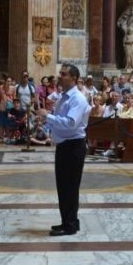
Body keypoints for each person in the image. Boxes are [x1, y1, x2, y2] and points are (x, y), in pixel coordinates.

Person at [36, 63, 90, 236]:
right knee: (63, 186)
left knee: (70, 186)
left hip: (73, 146)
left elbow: (71, 123)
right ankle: (66, 220)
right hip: (64, 145)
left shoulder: (77, 99)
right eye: (60, 73)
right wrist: (47, 120)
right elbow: (60, 119)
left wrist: (48, 116)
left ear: (73, 78)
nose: (60, 76)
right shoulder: (64, 97)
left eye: (64, 74)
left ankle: (71, 224)